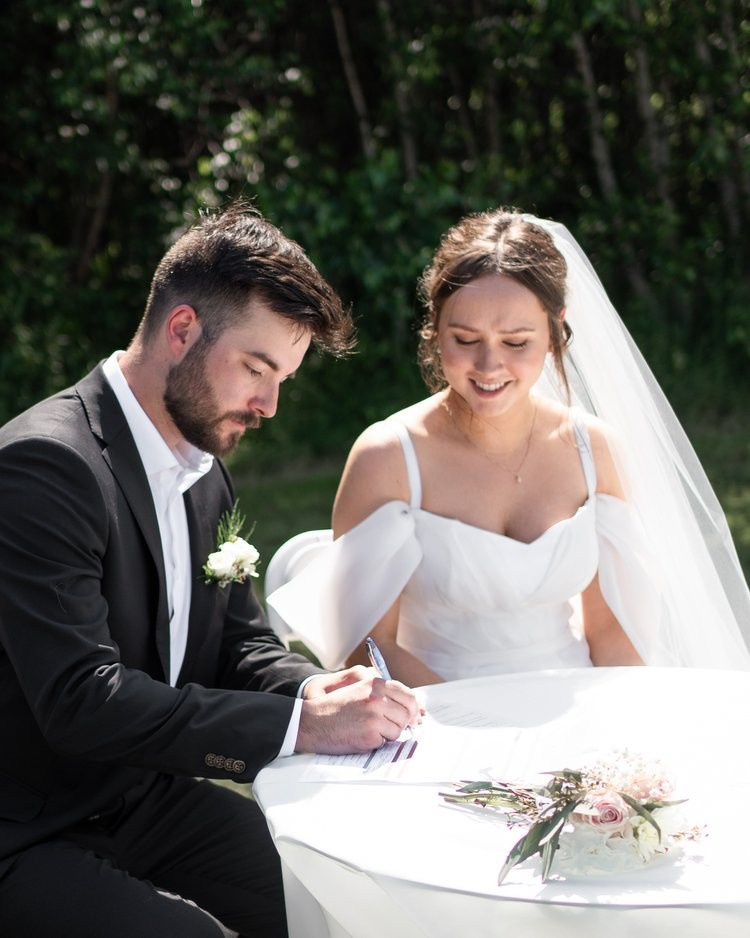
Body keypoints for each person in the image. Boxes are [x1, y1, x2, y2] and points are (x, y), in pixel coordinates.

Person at [0, 202, 420, 938]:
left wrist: (318, 688)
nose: (270, 406)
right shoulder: (46, 467)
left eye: (283, 377)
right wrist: (302, 726)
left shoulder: (203, 468)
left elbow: (238, 643)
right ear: (183, 329)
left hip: (143, 799)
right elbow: (82, 700)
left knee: (331, 896)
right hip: (28, 827)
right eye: (258, 369)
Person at [267, 208, 750, 680]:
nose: (489, 365)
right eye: (465, 339)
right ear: (435, 330)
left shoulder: (593, 450)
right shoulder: (388, 459)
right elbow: (368, 650)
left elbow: (609, 634)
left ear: (556, 331)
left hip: (574, 706)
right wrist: (480, 739)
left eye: (516, 342)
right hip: (436, 719)